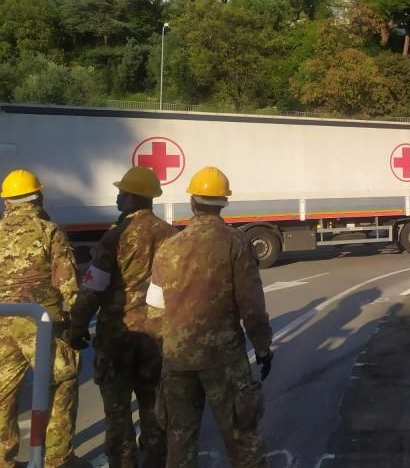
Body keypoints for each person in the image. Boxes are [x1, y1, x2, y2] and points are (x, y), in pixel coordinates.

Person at [146, 167, 273, 468]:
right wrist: (263, 346)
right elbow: (251, 305)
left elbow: (153, 309)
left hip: (177, 360)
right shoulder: (235, 243)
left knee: (179, 441)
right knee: (242, 439)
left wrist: (167, 350)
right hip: (223, 359)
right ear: (223, 203)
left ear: (192, 202)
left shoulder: (169, 247)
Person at [68, 167, 177, 468]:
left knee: (117, 410)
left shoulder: (115, 237)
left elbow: (93, 287)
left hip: (117, 335)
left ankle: (123, 462)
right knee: (154, 404)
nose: (118, 197)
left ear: (135, 198)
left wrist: (77, 327)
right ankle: (156, 460)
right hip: (157, 334)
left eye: (122, 192)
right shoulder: (172, 236)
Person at [0, 169, 83, 468]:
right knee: (63, 380)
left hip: (1, 324)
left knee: (3, 393)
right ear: (39, 197)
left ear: (7, 202)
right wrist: (78, 324)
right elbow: (68, 285)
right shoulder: (48, 231)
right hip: (42, 326)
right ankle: (57, 458)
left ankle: (3, 460)